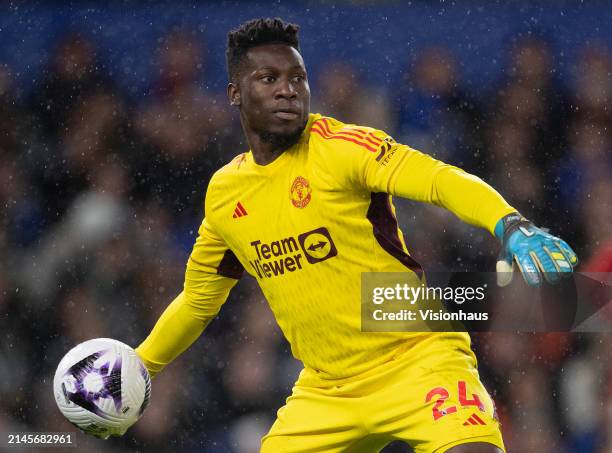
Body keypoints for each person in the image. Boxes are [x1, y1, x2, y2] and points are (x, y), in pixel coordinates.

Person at [135, 18, 578, 452]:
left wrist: (510, 224)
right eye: (268, 78)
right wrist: (141, 365)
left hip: (417, 358)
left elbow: (439, 180)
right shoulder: (225, 194)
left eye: (298, 77)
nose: (287, 89)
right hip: (327, 390)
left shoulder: (342, 148)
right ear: (235, 94)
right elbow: (198, 301)